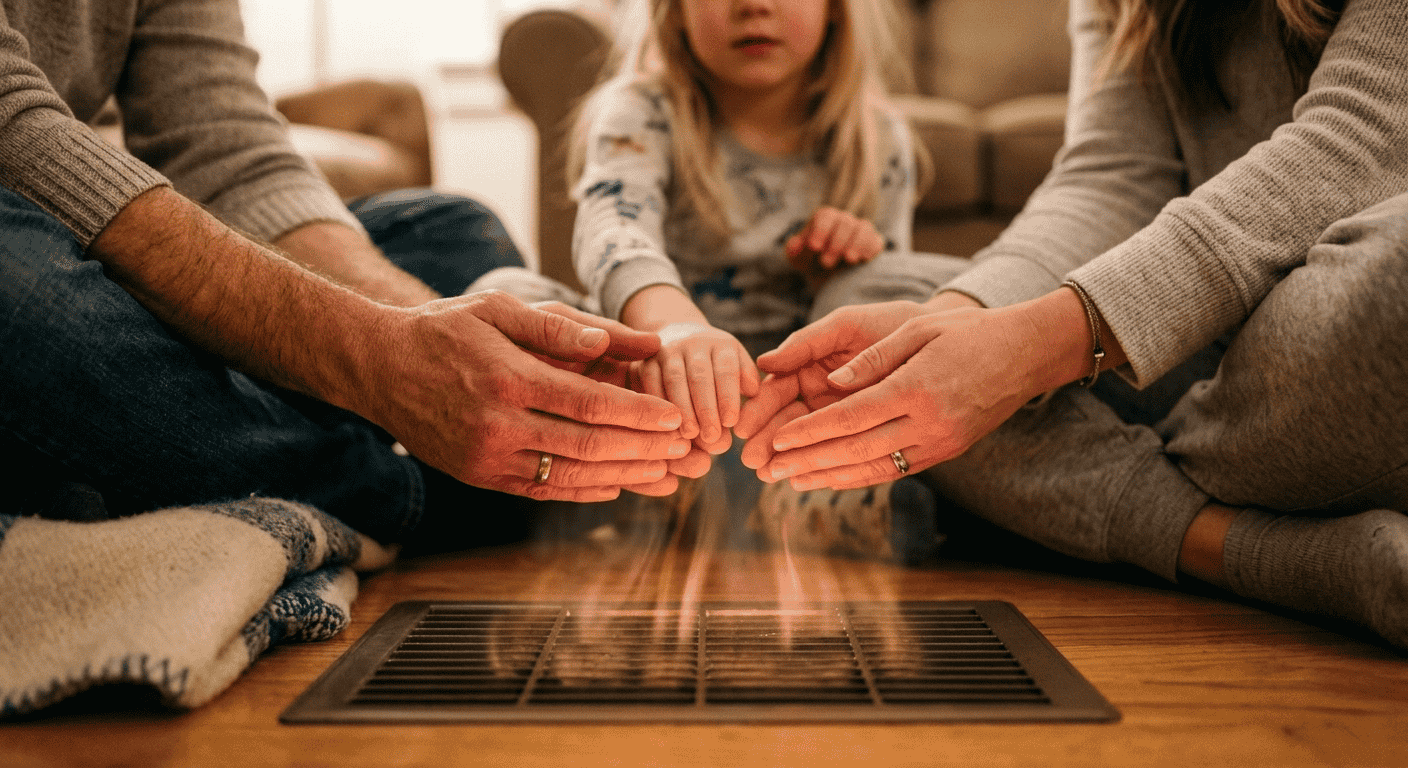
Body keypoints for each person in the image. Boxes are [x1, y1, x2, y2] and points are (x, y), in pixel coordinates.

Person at [735, 0, 1408, 649]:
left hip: (1327, 331)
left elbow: (1357, 141)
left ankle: (1085, 480)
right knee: (873, 298)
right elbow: (1110, 177)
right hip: (1212, 367)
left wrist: (1031, 353)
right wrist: (951, 324)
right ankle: (1247, 548)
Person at [0, 0, 712, 553]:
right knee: (21, 293)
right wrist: (379, 361)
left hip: (100, 254)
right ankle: (398, 496)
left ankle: (199, 448)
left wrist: (425, 332)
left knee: (453, 231)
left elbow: (226, 152)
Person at [475, 0, 953, 560]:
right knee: (508, 295)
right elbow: (613, 228)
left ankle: (692, 493)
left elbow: (885, 319)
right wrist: (673, 327)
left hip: (784, 406)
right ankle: (738, 493)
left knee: (892, 297)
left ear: (835, 10)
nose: (755, 6)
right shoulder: (640, 109)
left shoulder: (878, 136)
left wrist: (852, 263)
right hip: (653, 385)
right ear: (674, 12)